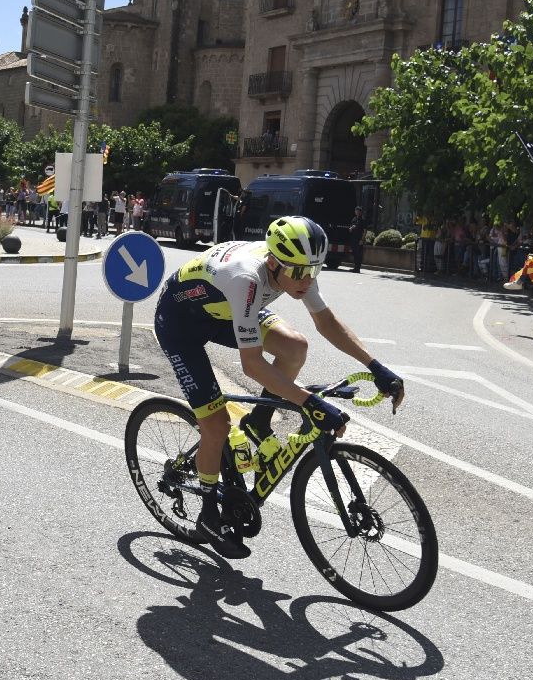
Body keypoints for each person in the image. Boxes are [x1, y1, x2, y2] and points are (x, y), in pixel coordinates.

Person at [152, 216, 407, 557]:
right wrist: (310, 403)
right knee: (216, 425)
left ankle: (258, 421)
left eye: (314, 271)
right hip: (181, 323)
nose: (307, 280)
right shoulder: (246, 278)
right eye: (300, 272)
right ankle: (208, 513)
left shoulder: (297, 267)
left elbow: (326, 322)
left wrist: (375, 366)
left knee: (295, 347)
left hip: (226, 312)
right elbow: (252, 365)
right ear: (273, 261)